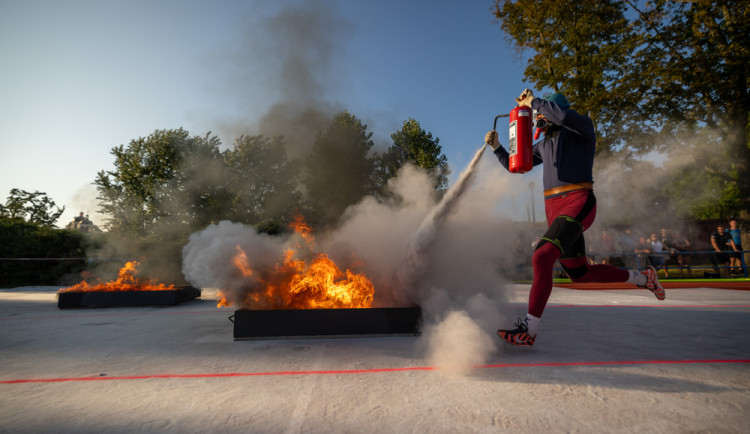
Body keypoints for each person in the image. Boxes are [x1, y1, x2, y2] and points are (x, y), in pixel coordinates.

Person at [485, 89, 664, 347]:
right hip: (556, 211)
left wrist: (534, 102)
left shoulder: (582, 128)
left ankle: (529, 329)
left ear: (553, 111)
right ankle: (644, 277)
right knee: (580, 274)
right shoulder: (545, 145)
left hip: (577, 203)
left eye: (541, 114)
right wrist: (497, 147)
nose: (538, 119)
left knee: (541, 255)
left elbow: (563, 116)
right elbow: (517, 165)